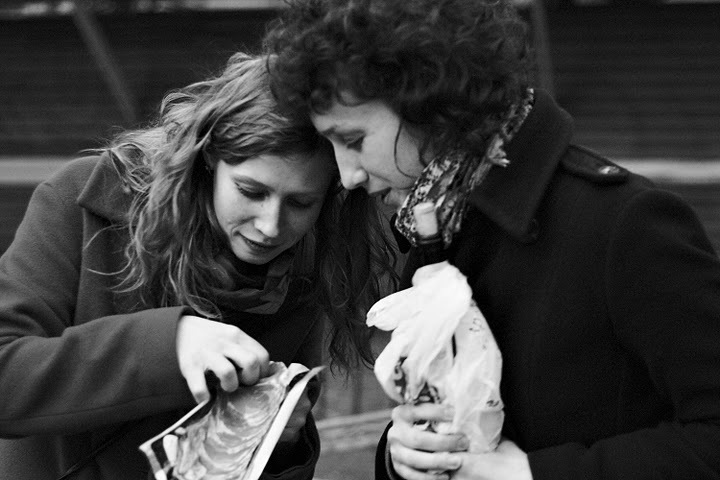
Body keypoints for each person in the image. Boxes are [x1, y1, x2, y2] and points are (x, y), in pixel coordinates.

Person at [264, 1, 720, 479]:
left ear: (427, 101)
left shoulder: (624, 223)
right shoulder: (439, 226)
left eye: (354, 140)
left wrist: (532, 474)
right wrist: (402, 454)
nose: (347, 176)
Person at [0, 52, 397, 480]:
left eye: (301, 203)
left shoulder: (305, 264)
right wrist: (169, 344)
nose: (271, 226)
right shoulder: (79, 197)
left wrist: (280, 442)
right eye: (251, 191)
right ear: (208, 159)